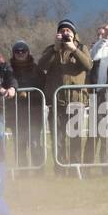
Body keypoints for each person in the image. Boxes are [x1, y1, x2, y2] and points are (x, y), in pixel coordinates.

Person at [37, 20, 92, 174]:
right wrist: (55, 49)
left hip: (76, 101)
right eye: (63, 31)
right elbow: (41, 66)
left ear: (74, 34)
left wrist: (74, 49)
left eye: (69, 30)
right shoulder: (51, 49)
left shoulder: (81, 48)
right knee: (58, 138)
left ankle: (75, 169)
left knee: (74, 138)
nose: (66, 33)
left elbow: (88, 65)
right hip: (56, 102)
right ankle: (60, 170)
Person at [8, 40, 43, 169]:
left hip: (34, 111)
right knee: (20, 144)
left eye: (23, 51)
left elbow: (42, 88)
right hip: (16, 113)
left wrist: (29, 94)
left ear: (28, 52)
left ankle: (39, 171)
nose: (20, 53)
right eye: (17, 51)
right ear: (13, 53)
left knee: (34, 143)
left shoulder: (36, 68)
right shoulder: (8, 69)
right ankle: (22, 172)